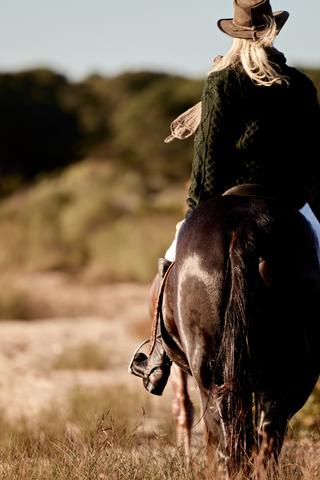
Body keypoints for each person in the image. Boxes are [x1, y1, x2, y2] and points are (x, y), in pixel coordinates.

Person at [129, 0, 320, 396]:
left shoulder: (221, 81)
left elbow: (208, 160)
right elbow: (313, 159)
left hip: (226, 200)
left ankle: (158, 354)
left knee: (170, 266)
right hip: (290, 204)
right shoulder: (300, 84)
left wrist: (193, 216)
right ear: (273, 31)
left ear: (235, 35)